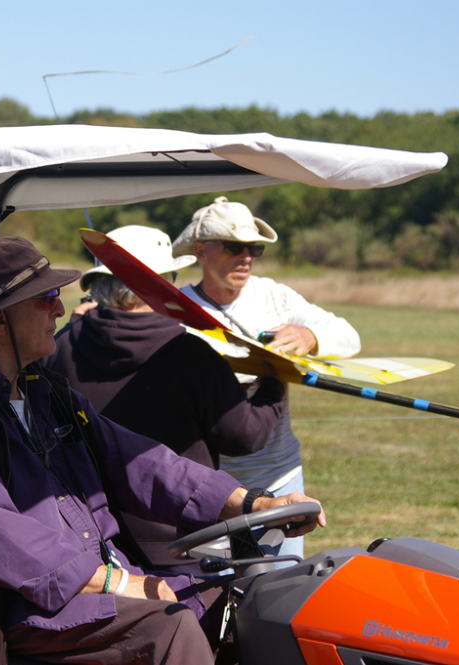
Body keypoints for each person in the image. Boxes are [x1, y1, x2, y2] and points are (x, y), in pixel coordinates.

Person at [0, 236, 325, 665]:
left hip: (93, 584)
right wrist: (117, 581)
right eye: (46, 298)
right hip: (13, 613)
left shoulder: (46, 392)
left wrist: (252, 503)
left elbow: (143, 464)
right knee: (168, 624)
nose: (60, 308)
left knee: (248, 602)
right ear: (0, 321)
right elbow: (1, 544)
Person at [45, 225, 287, 573]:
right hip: (183, 546)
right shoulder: (191, 354)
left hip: (90, 543)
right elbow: (244, 436)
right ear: (159, 286)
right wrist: (275, 384)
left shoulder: (61, 344)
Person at [171, 196, 359, 561]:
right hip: (209, 481)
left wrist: (311, 337)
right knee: (214, 593)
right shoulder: (177, 307)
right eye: (233, 246)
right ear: (201, 251)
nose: (246, 258)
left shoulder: (273, 294)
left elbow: (348, 335)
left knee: (277, 588)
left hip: (280, 474)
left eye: (253, 248)